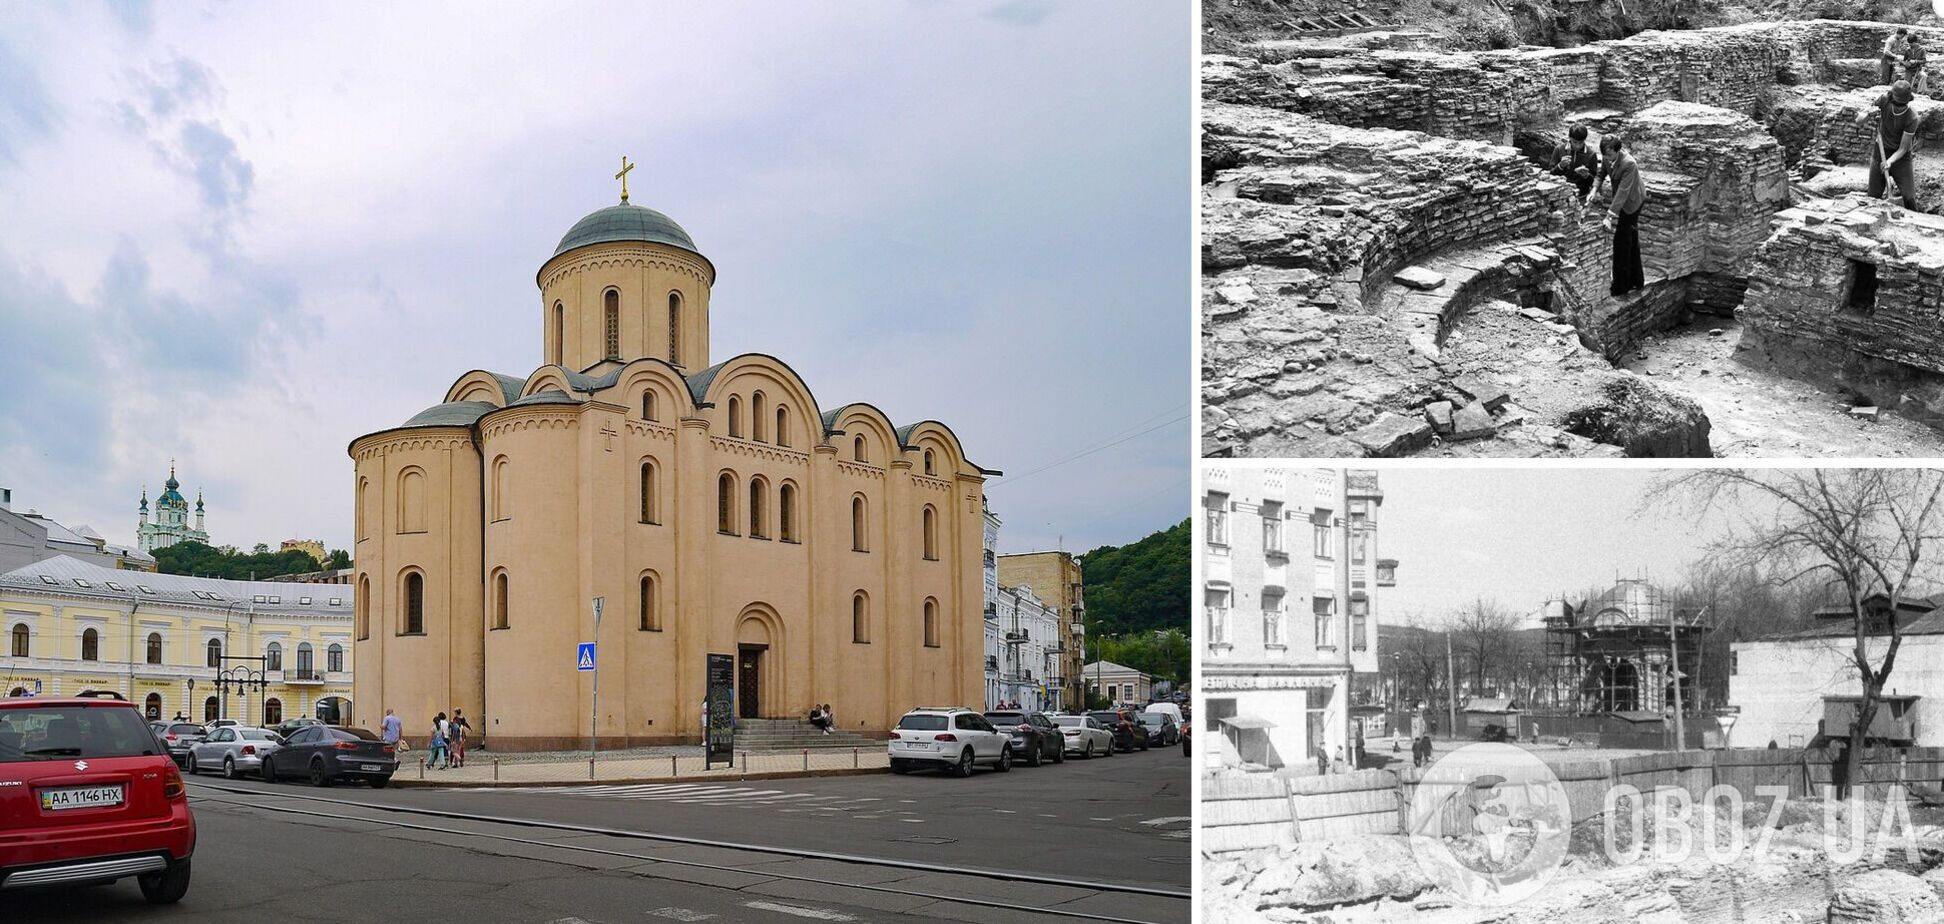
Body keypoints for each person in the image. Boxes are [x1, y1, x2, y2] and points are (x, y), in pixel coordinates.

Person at [1862, 81, 1920, 211]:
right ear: (1892, 98)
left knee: (1909, 197)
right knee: (1873, 196)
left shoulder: (1912, 117)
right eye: (1897, 104)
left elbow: (1903, 148)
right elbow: (1859, 120)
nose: (1899, 107)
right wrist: (1868, 114)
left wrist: (1889, 162)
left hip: (1901, 159)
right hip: (1880, 154)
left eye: (1902, 105)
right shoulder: (1883, 100)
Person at [1600, 134, 1645, 297]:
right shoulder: (1607, 157)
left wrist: (1609, 216)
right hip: (1624, 200)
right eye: (1605, 154)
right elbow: (1601, 174)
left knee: (1621, 242)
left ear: (1618, 151)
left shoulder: (1629, 164)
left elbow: (1623, 191)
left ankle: (1621, 286)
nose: (1607, 157)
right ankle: (1637, 280)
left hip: (1633, 202)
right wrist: (1593, 189)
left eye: (1610, 154)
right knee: (1630, 238)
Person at [1552, 124, 1600, 201]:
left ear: (1585, 139)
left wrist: (1586, 175)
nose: (1577, 146)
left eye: (1580, 143)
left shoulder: (1591, 154)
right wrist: (1560, 166)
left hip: (1581, 195)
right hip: (1560, 195)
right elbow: (1550, 174)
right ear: (1569, 138)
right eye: (1575, 142)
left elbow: (1594, 182)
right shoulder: (1559, 150)